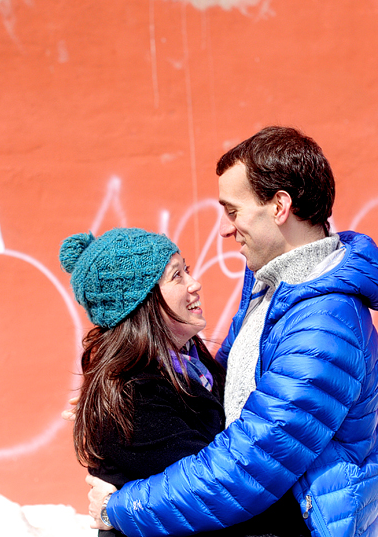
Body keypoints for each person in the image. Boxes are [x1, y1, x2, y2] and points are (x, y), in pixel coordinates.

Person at [86, 127, 378, 537]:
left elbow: (250, 462)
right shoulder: (275, 286)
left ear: (279, 207)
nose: (225, 228)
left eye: (233, 211)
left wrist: (122, 510)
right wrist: (119, 386)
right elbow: (227, 391)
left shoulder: (323, 324)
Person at [61, 227, 309, 537]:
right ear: (142, 303)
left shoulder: (190, 367)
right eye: (177, 276)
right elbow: (219, 489)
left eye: (187, 270)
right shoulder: (136, 397)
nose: (195, 283)